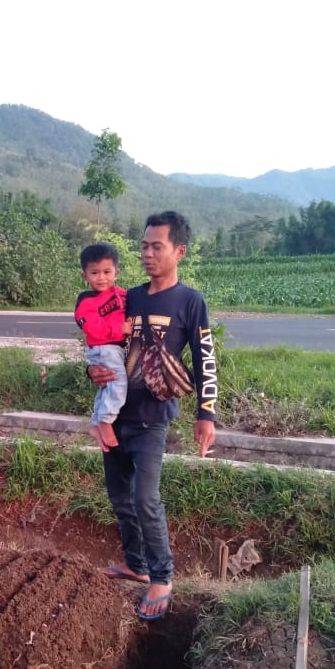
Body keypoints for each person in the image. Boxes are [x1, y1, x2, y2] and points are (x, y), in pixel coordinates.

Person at [87, 211, 217, 621]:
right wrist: (91, 371)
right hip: (118, 416)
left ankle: (162, 577)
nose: (146, 253)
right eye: (143, 245)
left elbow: (205, 358)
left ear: (178, 251)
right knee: (120, 498)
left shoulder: (190, 301)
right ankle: (136, 565)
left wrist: (206, 414)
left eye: (155, 246)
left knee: (146, 498)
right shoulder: (130, 296)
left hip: (152, 420)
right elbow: (102, 345)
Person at [74, 243, 134, 450]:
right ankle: (106, 420)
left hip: (114, 348)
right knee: (118, 383)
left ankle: (95, 423)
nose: (101, 278)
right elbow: (93, 329)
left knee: (107, 387)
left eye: (107, 272)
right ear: (85, 276)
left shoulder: (122, 294)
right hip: (104, 347)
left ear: (116, 272)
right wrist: (121, 329)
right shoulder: (85, 302)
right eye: (95, 272)